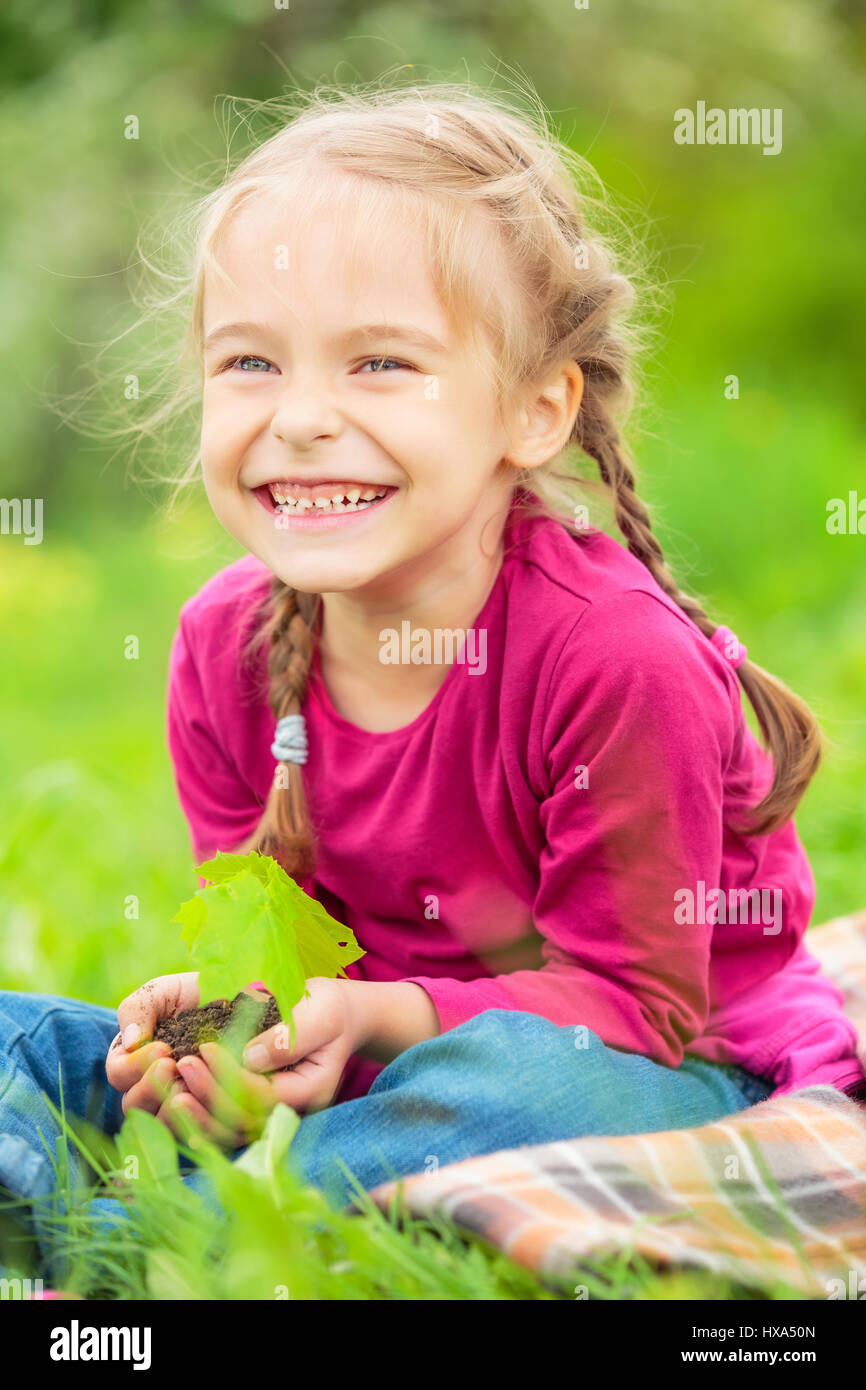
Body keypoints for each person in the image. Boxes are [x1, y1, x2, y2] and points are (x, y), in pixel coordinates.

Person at [2, 84, 862, 1221]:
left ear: (533, 410)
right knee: (25, 1033)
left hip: (645, 1061)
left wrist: (387, 1019)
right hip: (370, 1066)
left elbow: (636, 1005)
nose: (301, 416)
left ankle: (115, 1239)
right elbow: (302, 972)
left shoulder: (611, 660)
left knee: (503, 1087)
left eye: (379, 365)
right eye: (252, 363)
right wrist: (229, 1033)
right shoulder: (227, 651)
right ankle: (75, 1181)